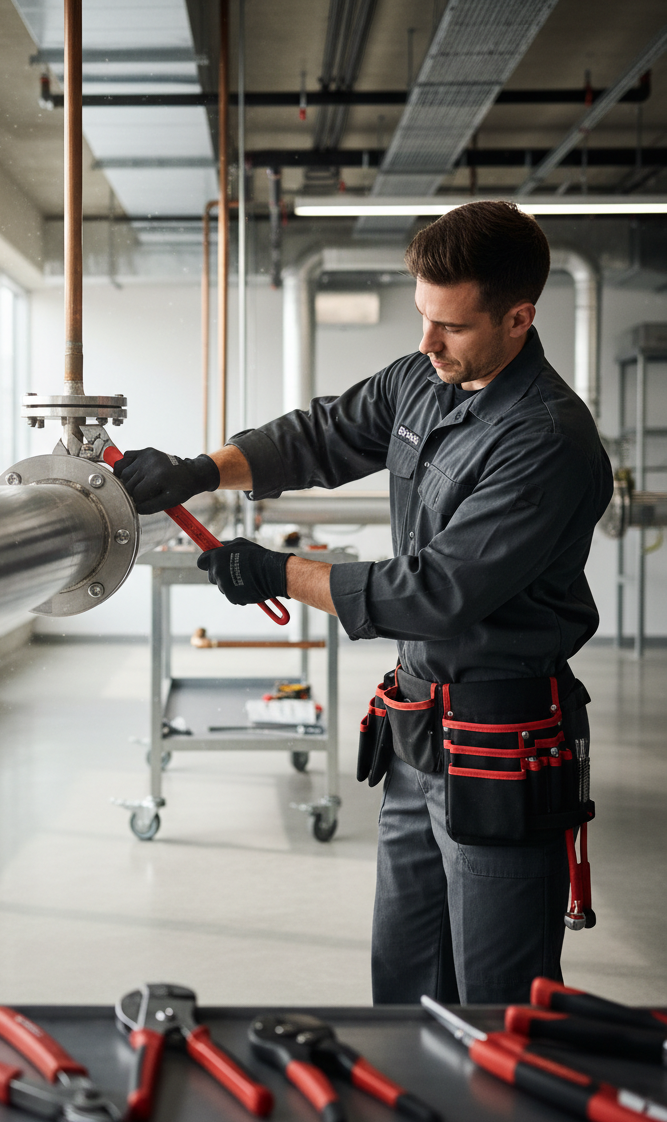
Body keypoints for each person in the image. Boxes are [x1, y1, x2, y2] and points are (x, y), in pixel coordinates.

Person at [114, 201, 613, 1005]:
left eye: (450, 325)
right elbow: (322, 434)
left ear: (519, 318)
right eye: (423, 316)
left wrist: (281, 573)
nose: (426, 342)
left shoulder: (545, 439)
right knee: (405, 980)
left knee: (498, 999)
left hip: (500, 741)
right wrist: (202, 471)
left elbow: (437, 592)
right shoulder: (424, 378)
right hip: (416, 730)